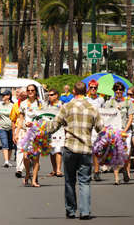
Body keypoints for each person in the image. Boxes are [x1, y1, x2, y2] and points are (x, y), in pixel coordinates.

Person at [46, 81, 104, 220]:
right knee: (84, 181)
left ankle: (71, 210)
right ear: (86, 91)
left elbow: (53, 126)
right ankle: (85, 212)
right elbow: (101, 128)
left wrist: (38, 126)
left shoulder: (67, 107)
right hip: (86, 149)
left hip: (70, 148)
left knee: (70, 180)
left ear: (73, 91)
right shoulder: (92, 108)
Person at [104, 82, 134, 184]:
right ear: (114, 90)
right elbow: (105, 117)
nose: (118, 91)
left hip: (126, 131)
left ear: (123, 91)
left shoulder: (128, 102)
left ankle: (125, 169)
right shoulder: (109, 103)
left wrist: (125, 130)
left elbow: (130, 118)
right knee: (115, 154)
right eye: (116, 89)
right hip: (114, 132)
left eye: (120, 89)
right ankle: (116, 178)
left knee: (126, 153)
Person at [15, 84, 45, 187]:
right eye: (29, 90)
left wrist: (36, 125)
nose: (30, 92)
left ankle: (34, 181)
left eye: (32, 90)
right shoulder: (23, 104)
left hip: (37, 133)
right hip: (27, 133)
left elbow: (44, 119)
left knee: (36, 158)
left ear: (36, 91)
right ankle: (28, 173)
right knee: (26, 156)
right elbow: (21, 119)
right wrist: (17, 133)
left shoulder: (41, 104)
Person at [86, 79, 104, 181]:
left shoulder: (101, 100)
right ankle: (88, 170)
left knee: (96, 150)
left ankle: (97, 171)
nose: (93, 89)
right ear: (89, 88)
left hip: (97, 127)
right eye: (91, 87)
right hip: (87, 127)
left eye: (95, 88)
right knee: (88, 151)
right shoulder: (85, 99)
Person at [0, 90, 14, 168]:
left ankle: (8, 160)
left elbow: (15, 116)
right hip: (1, 127)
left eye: (4, 95)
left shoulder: (13, 106)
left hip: (11, 127)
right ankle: (6, 161)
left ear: (8, 96)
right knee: (5, 143)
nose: (2, 97)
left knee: (10, 145)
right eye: (2, 95)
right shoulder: (0, 105)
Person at [10, 87, 27, 178]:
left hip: (31, 130)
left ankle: (29, 168)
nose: (21, 96)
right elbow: (13, 120)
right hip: (20, 129)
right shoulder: (15, 105)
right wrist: (14, 133)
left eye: (24, 95)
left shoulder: (32, 104)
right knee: (20, 149)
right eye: (19, 95)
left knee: (29, 151)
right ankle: (19, 169)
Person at [46, 88, 64, 177]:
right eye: (49, 95)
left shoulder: (61, 105)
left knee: (58, 150)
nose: (49, 96)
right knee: (51, 151)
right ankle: (54, 169)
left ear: (57, 95)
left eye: (51, 95)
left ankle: (59, 170)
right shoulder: (47, 105)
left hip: (59, 130)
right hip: (49, 130)